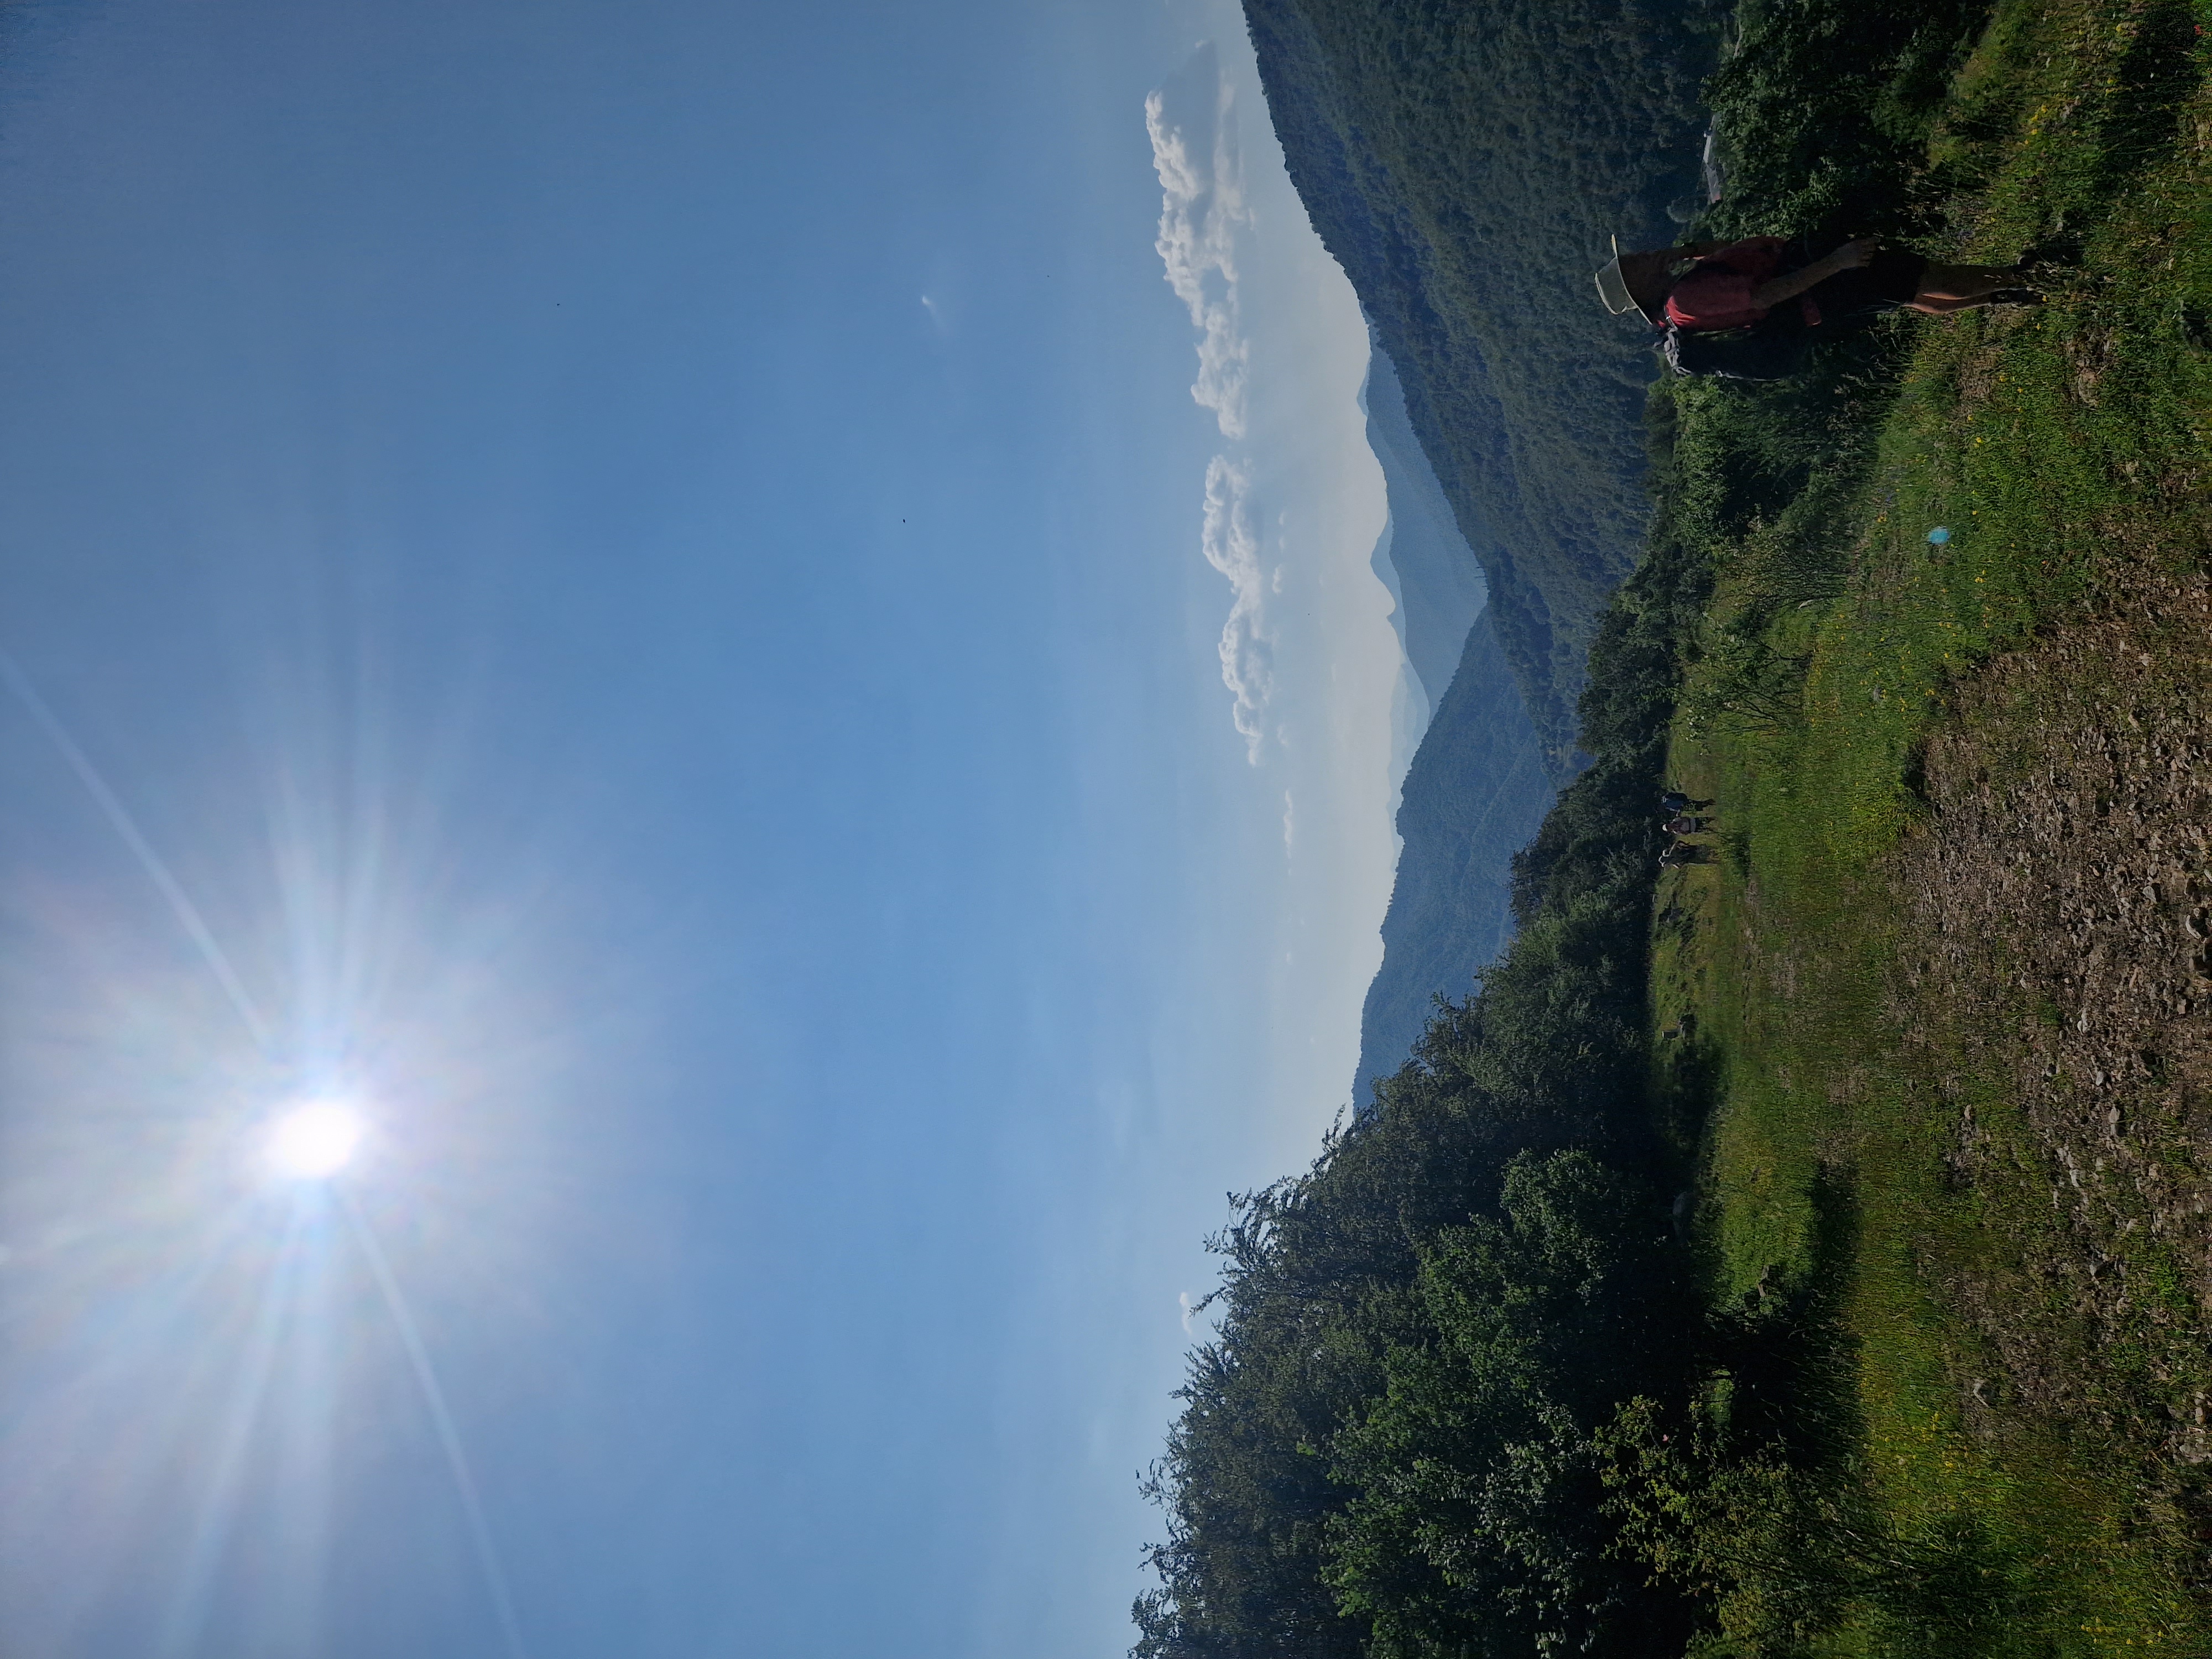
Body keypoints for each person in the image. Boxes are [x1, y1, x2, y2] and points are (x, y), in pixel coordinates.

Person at [1597, 235, 2040, 351]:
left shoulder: (1679, 294)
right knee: (1925, 279)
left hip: (1820, 293)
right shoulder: (1685, 302)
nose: (1645, 255)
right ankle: (2023, 277)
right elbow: (1766, 296)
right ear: (1640, 288)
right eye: (1638, 263)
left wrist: (1683, 252)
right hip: (1823, 284)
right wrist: (1837, 262)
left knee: (1914, 296)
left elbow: (1729, 253)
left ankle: (2007, 292)